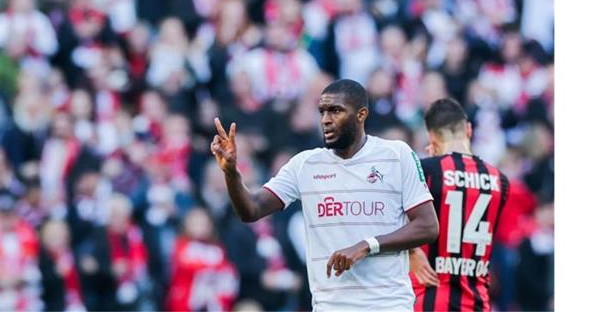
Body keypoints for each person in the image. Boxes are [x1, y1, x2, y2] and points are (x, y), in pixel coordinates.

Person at [211, 79, 438, 311]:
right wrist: (231, 173)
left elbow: (428, 226)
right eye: (322, 112)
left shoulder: (396, 155)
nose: (326, 120)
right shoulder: (305, 164)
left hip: (388, 304)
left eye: (335, 111)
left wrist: (367, 245)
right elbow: (251, 210)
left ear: (361, 114)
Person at [408, 97, 510, 311]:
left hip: (426, 299)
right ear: (469, 129)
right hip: (477, 302)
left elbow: (389, 218)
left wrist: (412, 252)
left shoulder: (425, 170)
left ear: (432, 137)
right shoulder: (500, 180)